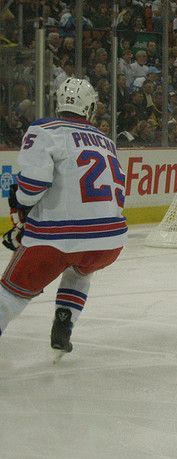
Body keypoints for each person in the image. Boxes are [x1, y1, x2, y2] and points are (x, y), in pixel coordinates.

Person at [0, 78, 127, 359]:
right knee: (81, 269)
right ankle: (65, 321)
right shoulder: (106, 141)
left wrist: (20, 208)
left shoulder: (44, 129)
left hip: (56, 241)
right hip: (109, 242)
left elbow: (32, 187)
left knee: (10, 293)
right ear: (90, 107)